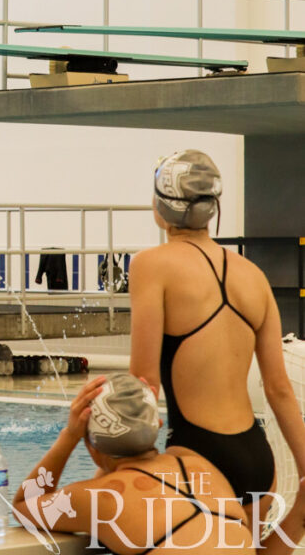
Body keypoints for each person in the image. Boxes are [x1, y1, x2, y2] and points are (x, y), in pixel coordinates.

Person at [128, 149, 305, 533]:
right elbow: (279, 389)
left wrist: (123, 469)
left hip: (197, 454)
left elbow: (142, 384)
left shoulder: (150, 265)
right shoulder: (253, 274)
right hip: (257, 458)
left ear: (161, 206)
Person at [12, 373, 305, 554]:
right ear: (158, 426)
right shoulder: (201, 468)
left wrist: (69, 435)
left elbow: (26, 505)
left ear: (90, 444)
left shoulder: (104, 497)